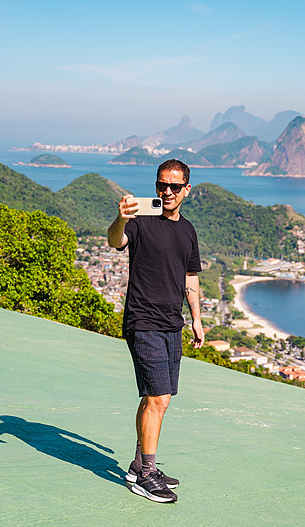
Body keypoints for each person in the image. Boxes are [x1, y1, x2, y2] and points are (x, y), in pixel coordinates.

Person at [107, 158, 204, 503]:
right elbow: (115, 241)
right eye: (161, 185)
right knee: (158, 398)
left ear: (186, 190)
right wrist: (122, 217)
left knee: (156, 397)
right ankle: (145, 477)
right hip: (143, 321)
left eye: (174, 187)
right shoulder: (142, 220)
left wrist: (196, 317)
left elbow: (190, 277)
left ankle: (138, 464)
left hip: (171, 324)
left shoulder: (188, 230)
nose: (167, 192)